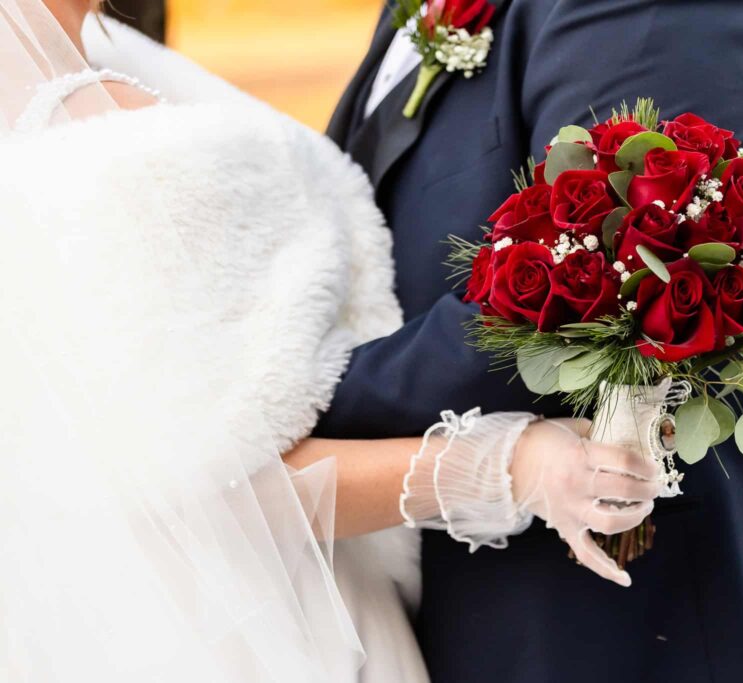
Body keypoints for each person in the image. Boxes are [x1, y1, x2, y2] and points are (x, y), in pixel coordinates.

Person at [1, 1, 658, 680]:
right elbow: (223, 485)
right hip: (252, 626)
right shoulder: (111, 128)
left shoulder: (82, 87)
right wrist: (514, 465)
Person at [321, 0, 743, 681]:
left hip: (658, 623)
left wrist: (280, 400)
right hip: (492, 596)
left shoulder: (661, 13)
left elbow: (587, 298)